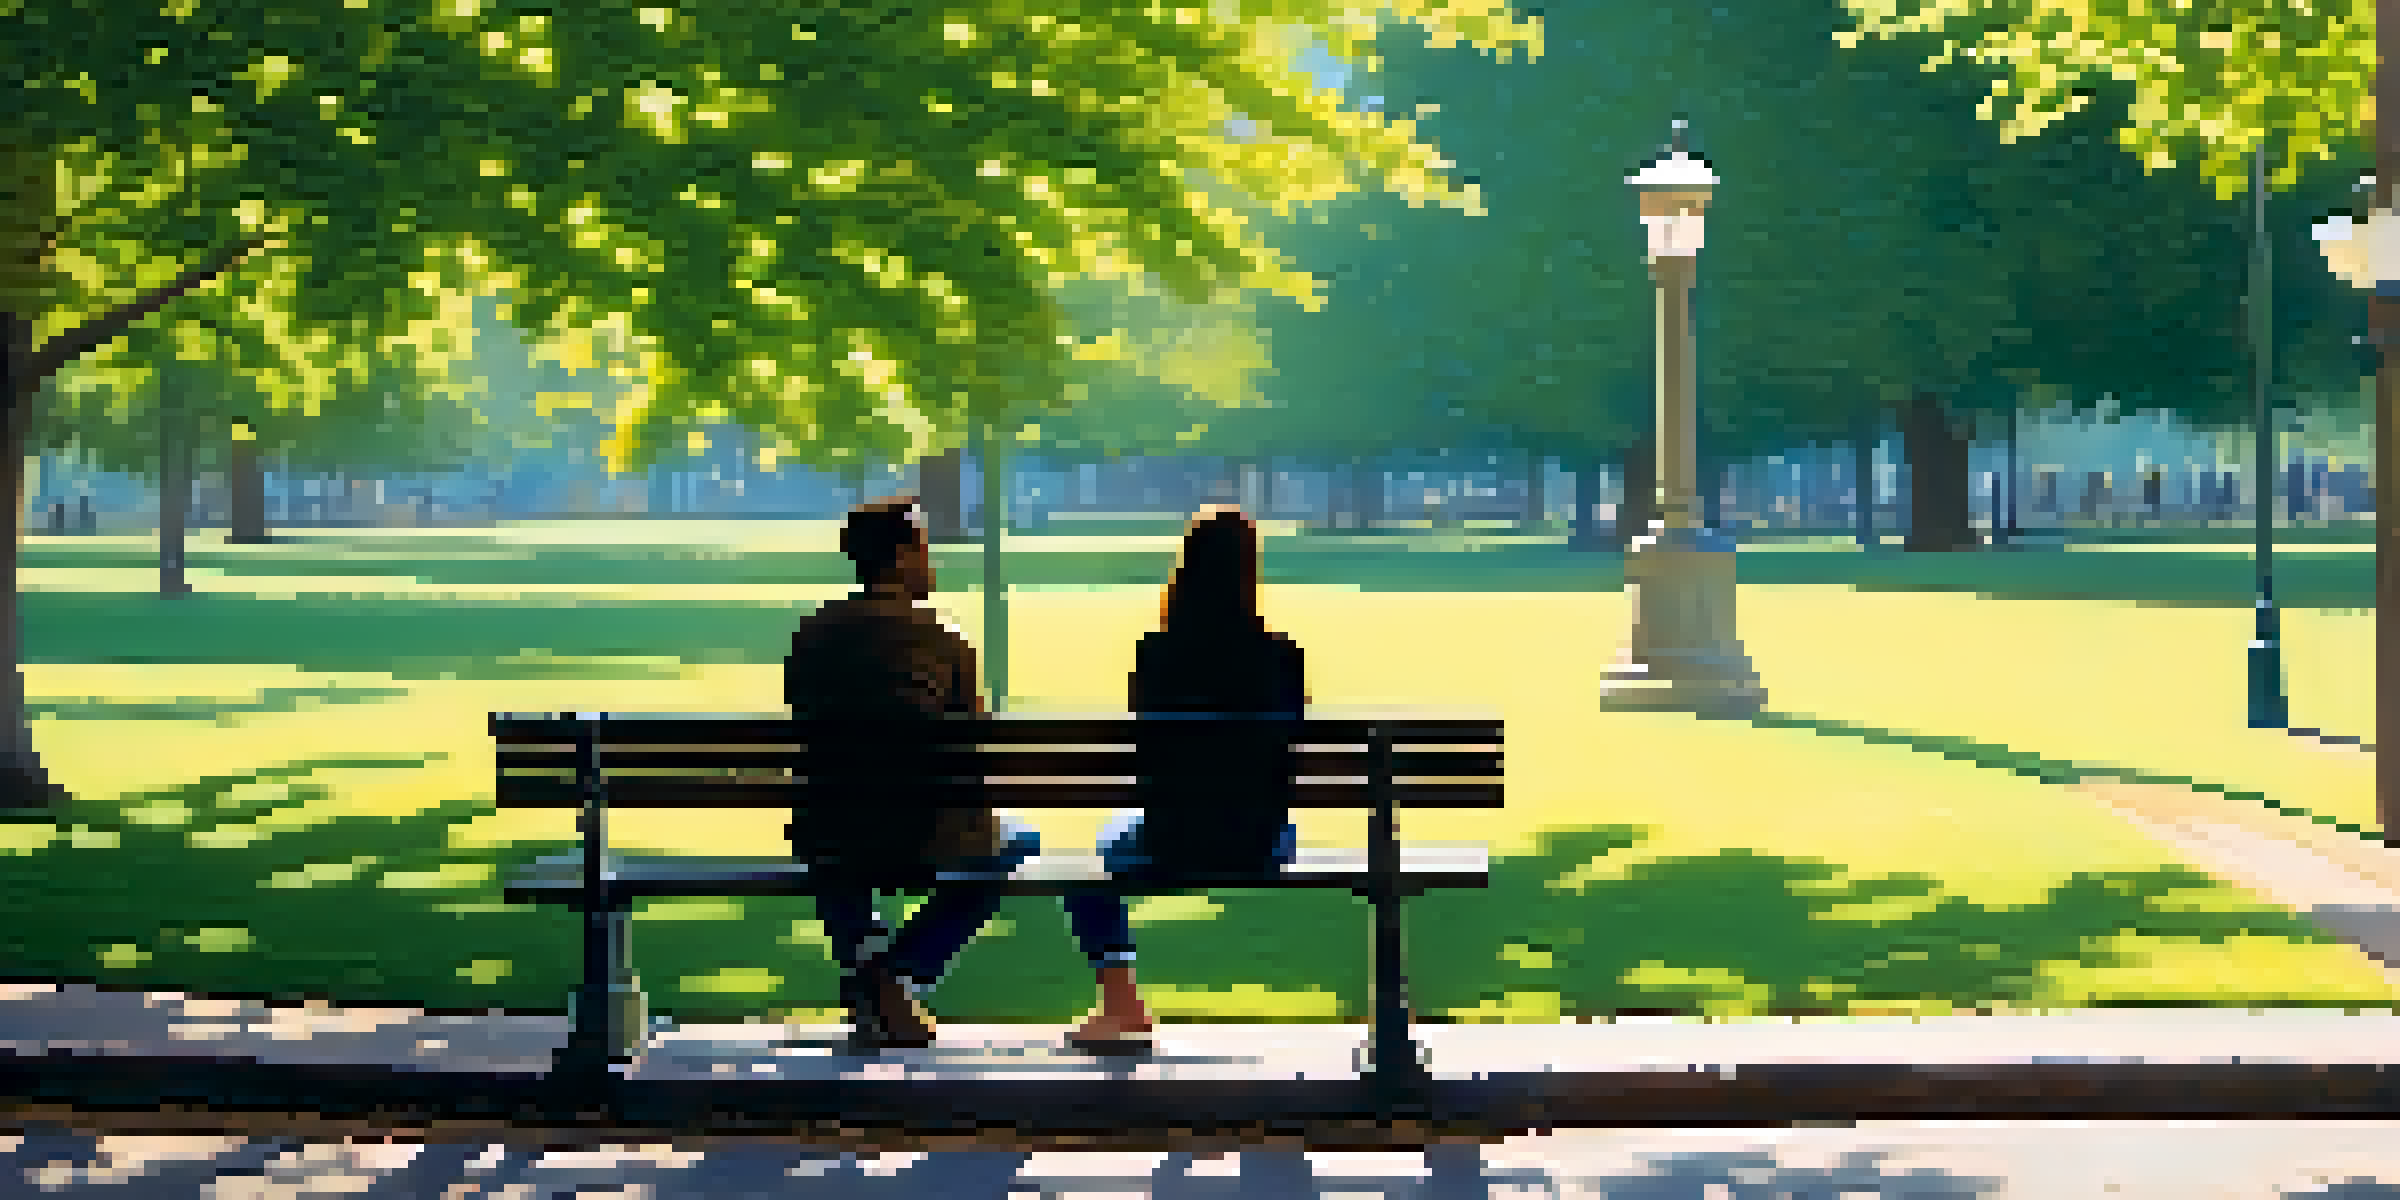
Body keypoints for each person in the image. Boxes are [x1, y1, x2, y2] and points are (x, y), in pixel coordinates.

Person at [1056, 505, 1309, 1051]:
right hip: (1259, 840)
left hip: (1172, 837)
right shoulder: (1281, 655)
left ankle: (1121, 1003)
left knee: (1091, 861)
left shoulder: (1158, 654)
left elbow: (1148, 754)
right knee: (1265, 823)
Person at [784, 495, 1028, 1048]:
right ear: (896, 559)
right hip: (926, 831)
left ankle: (869, 970)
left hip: (833, 823)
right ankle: (894, 976)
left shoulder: (813, 634)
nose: (931, 561)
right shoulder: (944, 640)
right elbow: (975, 743)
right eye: (922, 549)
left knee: (831, 845)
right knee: (1013, 844)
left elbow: (803, 717)